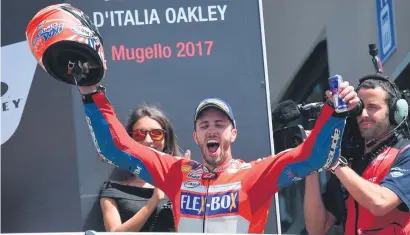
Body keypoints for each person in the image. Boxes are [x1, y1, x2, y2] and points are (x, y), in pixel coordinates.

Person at [25, 5, 360, 233]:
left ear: (233, 134)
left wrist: (335, 113)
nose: (211, 129)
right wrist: (90, 90)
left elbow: (315, 157)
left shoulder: (255, 175)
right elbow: (117, 148)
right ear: (196, 137)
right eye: (204, 125)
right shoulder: (176, 174)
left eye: (219, 124)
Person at [304, 74, 410, 235]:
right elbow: (317, 229)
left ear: (395, 111)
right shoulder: (350, 162)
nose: (364, 115)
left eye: (373, 107)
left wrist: (333, 161)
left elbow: (380, 203)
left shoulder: (405, 153)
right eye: (360, 108)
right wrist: (311, 161)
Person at [99, 104, 188, 232]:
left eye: (156, 134)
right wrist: (154, 200)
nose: (148, 140)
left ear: (166, 138)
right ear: (129, 139)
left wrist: (188, 183)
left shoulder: (182, 182)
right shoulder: (112, 189)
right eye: (139, 134)